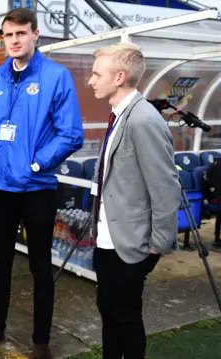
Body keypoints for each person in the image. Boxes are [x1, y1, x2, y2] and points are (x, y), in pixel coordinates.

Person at [0, 9, 84, 359]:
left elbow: (70, 133)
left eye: (20, 34)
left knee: (40, 266)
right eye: (8, 35)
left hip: (36, 188)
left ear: (35, 35)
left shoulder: (56, 77)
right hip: (0, 187)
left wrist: (36, 162)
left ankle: (40, 342)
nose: (13, 40)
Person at [87, 42, 180, 359]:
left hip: (131, 245)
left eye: (97, 74)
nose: (91, 80)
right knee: (108, 311)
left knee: (126, 317)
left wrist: (157, 245)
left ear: (119, 77)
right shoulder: (118, 115)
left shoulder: (143, 120)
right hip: (107, 240)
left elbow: (166, 186)